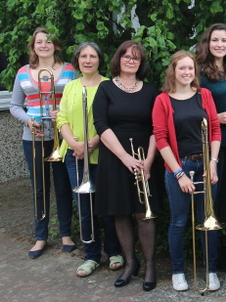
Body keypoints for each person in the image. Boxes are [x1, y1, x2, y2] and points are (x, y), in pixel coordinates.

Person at [153, 50, 222, 292]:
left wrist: (212, 162)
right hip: (178, 166)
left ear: (195, 71)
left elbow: (215, 129)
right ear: (173, 70)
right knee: (179, 221)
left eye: (190, 68)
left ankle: (210, 270)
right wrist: (179, 174)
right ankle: (178, 271)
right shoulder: (162, 100)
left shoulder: (204, 95)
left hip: (205, 164)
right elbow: (161, 139)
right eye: (181, 68)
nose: (186, 72)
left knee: (208, 219)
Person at [93, 40, 159, 291]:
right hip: (115, 156)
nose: (131, 61)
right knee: (121, 212)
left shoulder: (151, 90)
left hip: (144, 156)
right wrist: (124, 157)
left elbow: (157, 127)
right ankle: (131, 264)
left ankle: (150, 266)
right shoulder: (105, 88)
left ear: (141, 63)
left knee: (144, 213)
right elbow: (101, 124)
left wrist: (149, 162)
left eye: (136, 58)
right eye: (127, 57)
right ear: (118, 59)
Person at [9, 27, 77, 259]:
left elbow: (77, 99)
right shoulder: (23, 72)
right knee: (39, 188)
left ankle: (66, 234)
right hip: (34, 137)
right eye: (39, 42)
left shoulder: (69, 70)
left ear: (56, 46)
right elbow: (15, 105)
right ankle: (41, 237)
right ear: (33, 46)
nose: (44, 45)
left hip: (62, 136)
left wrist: (64, 113)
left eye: (48, 42)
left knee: (63, 186)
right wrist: (28, 120)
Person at [57, 42, 122, 277]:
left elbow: (110, 119)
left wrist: (91, 143)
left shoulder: (107, 85)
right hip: (74, 156)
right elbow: (62, 118)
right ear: (77, 60)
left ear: (99, 60)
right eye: (83, 56)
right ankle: (91, 256)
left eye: (92, 56)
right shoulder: (71, 86)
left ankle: (114, 251)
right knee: (84, 208)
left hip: (101, 153)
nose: (87, 60)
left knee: (106, 206)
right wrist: (75, 145)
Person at [196, 23, 226, 271]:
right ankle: (212, 252)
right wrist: (218, 117)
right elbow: (193, 108)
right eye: (215, 40)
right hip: (213, 144)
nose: (220, 45)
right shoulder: (199, 73)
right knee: (213, 197)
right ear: (208, 43)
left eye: (224, 41)